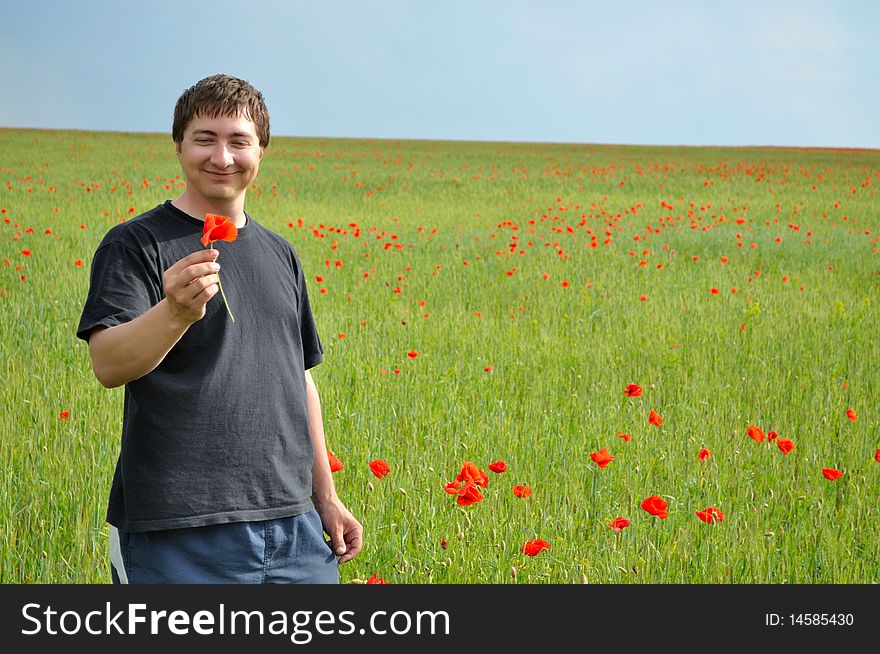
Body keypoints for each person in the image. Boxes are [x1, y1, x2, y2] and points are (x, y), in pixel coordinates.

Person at [76, 74, 362, 583]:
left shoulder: (280, 253)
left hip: (292, 524)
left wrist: (326, 496)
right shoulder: (135, 244)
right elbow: (109, 364)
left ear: (261, 152)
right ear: (179, 145)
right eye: (204, 138)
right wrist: (174, 314)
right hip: (178, 528)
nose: (222, 157)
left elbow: (297, 378)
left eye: (239, 141)